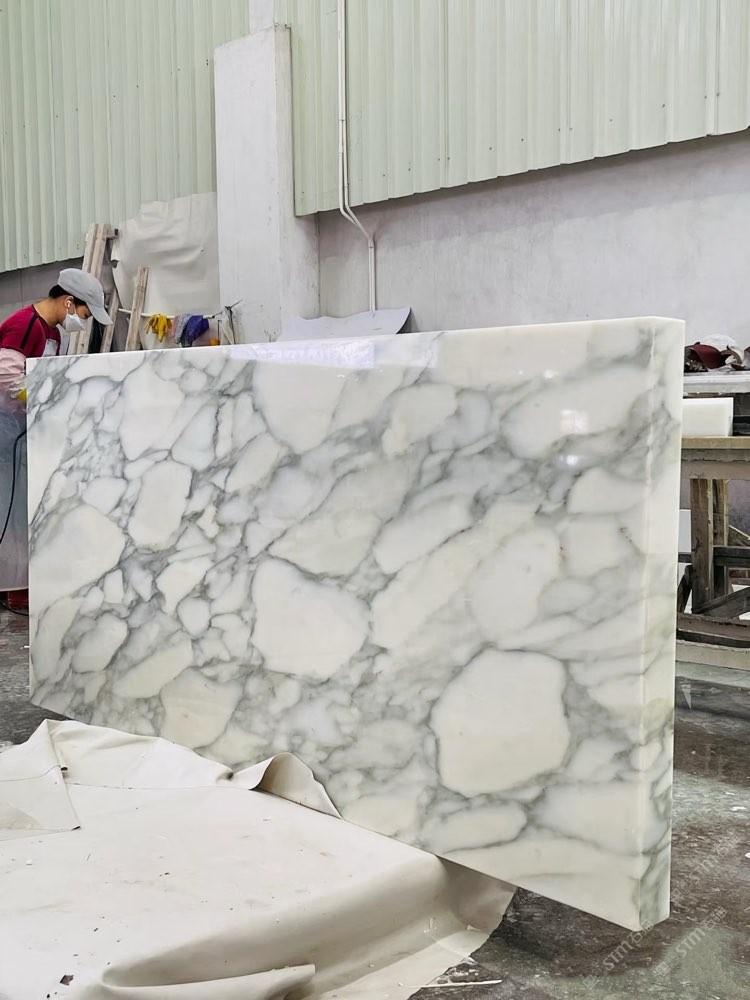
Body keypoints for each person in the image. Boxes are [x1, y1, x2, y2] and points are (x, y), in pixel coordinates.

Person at [0, 268, 112, 393]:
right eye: (85, 315)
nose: (84, 324)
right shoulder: (25, 324)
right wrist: (35, 400)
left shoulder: (54, 334)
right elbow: (7, 379)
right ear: (68, 302)